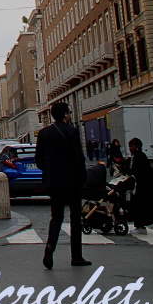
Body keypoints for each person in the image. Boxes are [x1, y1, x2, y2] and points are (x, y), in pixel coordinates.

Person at [36, 101, 90, 269]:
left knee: (56, 216)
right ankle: (76, 256)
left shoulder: (44, 133)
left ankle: (50, 246)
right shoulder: (72, 132)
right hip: (72, 182)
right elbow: (79, 158)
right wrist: (82, 178)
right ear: (66, 114)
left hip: (54, 182)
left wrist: (50, 170)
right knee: (75, 218)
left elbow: (39, 159)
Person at [126, 138, 153, 233]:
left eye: (132, 146)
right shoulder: (135, 156)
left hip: (147, 185)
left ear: (138, 147)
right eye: (129, 146)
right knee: (139, 206)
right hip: (141, 185)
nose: (130, 148)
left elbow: (138, 170)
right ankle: (140, 226)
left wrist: (127, 171)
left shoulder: (140, 156)